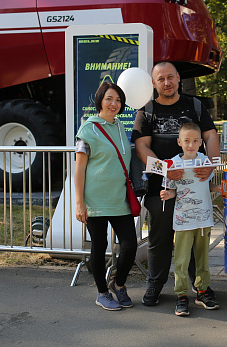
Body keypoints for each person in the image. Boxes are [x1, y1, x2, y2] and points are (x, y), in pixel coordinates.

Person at [132, 61, 220, 306]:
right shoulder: (146, 110)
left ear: (179, 78)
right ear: (154, 83)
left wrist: (211, 165)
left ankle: (200, 287)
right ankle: (155, 285)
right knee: (160, 239)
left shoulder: (195, 105)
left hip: (195, 187)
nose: (166, 83)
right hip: (160, 189)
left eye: (170, 77)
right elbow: (142, 146)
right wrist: (166, 172)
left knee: (193, 238)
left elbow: (211, 135)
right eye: (161, 79)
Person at [74, 82, 138, 311]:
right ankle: (102, 292)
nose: (114, 104)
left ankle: (119, 284)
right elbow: (79, 169)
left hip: (119, 198)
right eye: (110, 99)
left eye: (118, 100)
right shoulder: (87, 129)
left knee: (130, 245)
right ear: (100, 100)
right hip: (95, 200)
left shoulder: (120, 127)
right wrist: (80, 203)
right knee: (99, 246)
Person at [160, 122, 220, 316]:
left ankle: (202, 291)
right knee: (182, 259)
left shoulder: (205, 162)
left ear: (201, 142)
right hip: (183, 220)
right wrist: (167, 195)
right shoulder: (172, 163)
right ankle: (181, 295)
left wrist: (218, 190)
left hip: (203, 218)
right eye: (187, 141)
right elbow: (171, 190)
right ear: (179, 142)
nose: (191, 145)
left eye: (195, 141)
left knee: (202, 258)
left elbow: (207, 187)